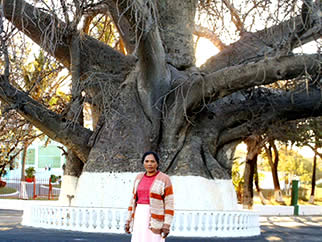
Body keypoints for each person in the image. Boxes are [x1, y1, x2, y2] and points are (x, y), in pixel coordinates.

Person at [125, 151, 174, 242]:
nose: (149, 164)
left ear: (157, 163)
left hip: (156, 218)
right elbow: (132, 201)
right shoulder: (138, 178)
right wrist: (128, 220)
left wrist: (167, 224)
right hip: (139, 216)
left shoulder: (164, 179)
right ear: (143, 163)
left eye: (152, 161)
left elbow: (169, 203)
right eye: (146, 161)